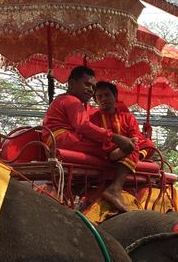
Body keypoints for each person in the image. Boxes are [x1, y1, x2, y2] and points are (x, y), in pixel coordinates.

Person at [42, 65, 136, 212]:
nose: (91, 90)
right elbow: (84, 127)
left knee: (132, 145)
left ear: (115, 97)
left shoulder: (127, 117)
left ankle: (115, 156)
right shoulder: (73, 101)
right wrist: (115, 138)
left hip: (61, 140)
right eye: (87, 84)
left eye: (93, 87)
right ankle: (115, 181)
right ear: (72, 83)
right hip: (65, 140)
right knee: (128, 147)